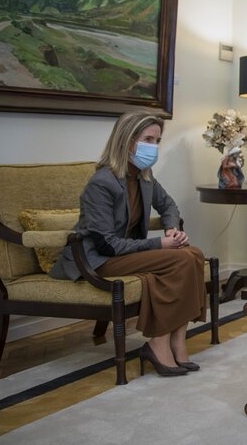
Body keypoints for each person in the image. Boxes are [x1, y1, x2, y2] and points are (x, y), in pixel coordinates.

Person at [49, 110, 208, 376]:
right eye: (148, 139)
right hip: (97, 259)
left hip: (124, 253)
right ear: (127, 140)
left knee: (194, 254)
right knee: (182, 258)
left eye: (157, 141)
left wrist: (171, 229)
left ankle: (177, 339)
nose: (154, 147)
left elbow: (168, 205)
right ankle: (158, 341)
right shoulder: (102, 183)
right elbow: (106, 245)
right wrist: (159, 245)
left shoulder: (143, 175)